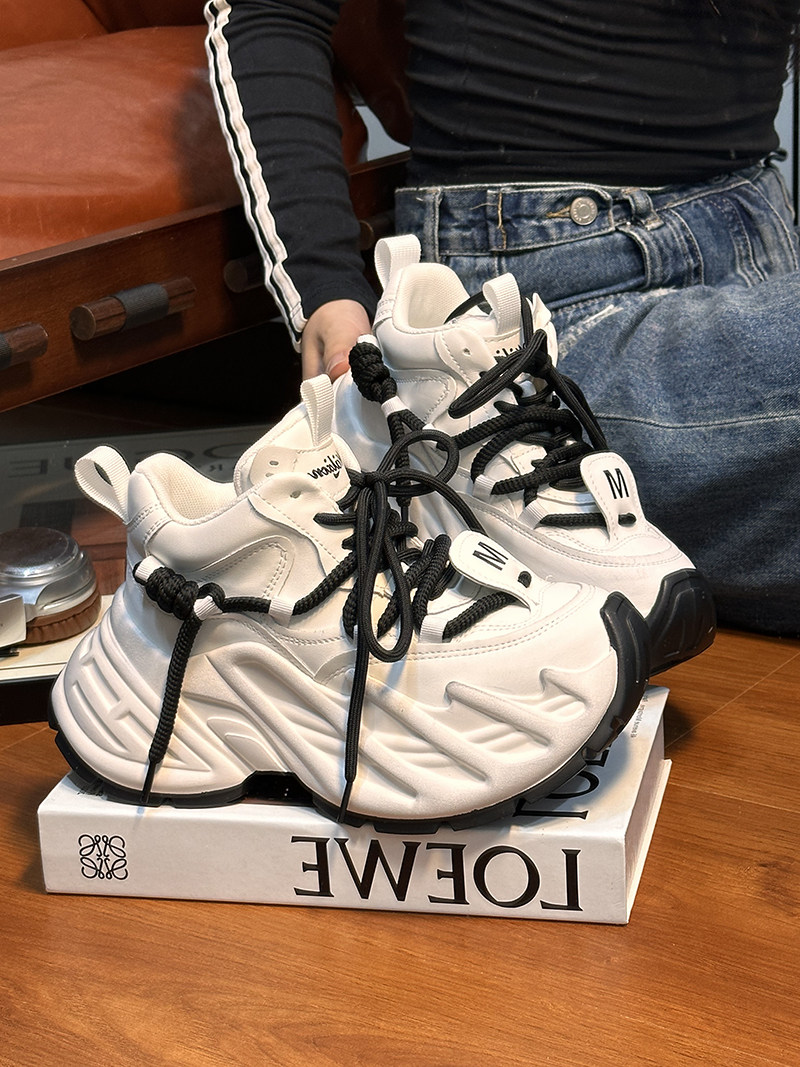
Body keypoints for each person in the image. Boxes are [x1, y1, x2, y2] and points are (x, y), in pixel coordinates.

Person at [204, 0, 800, 636]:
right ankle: (462, 478)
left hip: (762, 233)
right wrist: (325, 292)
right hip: (534, 312)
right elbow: (274, 11)